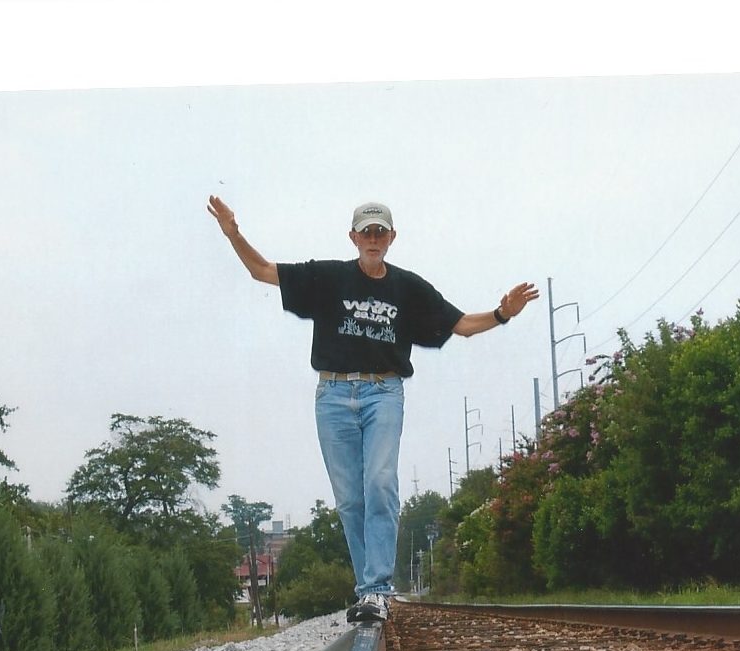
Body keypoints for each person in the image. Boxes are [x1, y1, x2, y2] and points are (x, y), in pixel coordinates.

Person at [207, 196, 539, 623]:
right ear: (353, 237)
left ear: (392, 238)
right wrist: (234, 234)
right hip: (332, 396)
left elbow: (461, 326)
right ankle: (368, 589)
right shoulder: (328, 278)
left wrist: (501, 313)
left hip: (383, 392)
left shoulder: (408, 287)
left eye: (380, 231)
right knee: (350, 500)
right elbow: (262, 271)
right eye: (366, 231)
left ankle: (377, 589)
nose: (373, 238)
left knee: (380, 483)